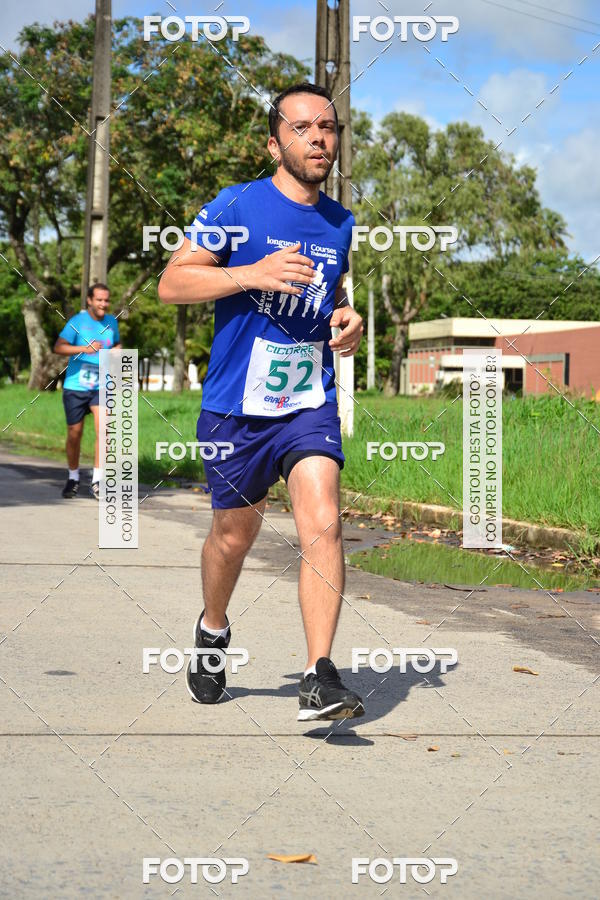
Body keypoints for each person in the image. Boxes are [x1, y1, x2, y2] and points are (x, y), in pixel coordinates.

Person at [158, 82, 364, 721]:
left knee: (323, 519)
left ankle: (318, 675)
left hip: (307, 401)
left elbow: (327, 296)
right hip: (235, 405)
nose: (318, 139)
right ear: (273, 142)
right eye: (302, 128)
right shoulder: (235, 205)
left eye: (327, 127)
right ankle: (213, 629)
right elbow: (172, 283)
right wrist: (250, 273)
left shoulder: (340, 221)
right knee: (232, 534)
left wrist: (346, 318)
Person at [54, 283, 121, 500]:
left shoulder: (111, 322)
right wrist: (84, 348)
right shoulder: (77, 322)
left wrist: (116, 352)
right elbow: (59, 347)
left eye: (106, 300)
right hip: (75, 386)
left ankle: (98, 480)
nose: (104, 304)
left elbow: (116, 344)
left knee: (105, 430)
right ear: (89, 300)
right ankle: (73, 477)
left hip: (101, 385)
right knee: (75, 434)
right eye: (99, 300)